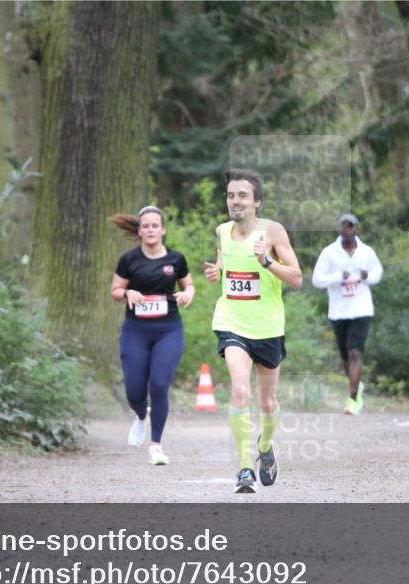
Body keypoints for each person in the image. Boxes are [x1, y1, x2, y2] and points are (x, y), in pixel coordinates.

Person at [204, 169, 302, 493]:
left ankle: (265, 447)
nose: (236, 201)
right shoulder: (222, 231)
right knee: (240, 390)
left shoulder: (272, 232)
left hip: (268, 329)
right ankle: (245, 468)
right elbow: (225, 262)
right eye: (231, 195)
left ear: (257, 202)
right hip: (231, 324)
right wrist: (218, 271)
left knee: (268, 403)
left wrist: (267, 263)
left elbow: (297, 278)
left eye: (243, 195)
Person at [110, 205, 194, 465]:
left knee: (159, 384)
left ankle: (156, 445)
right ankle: (140, 416)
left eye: (154, 225)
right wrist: (127, 294)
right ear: (140, 230)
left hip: (168, 330)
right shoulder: (129, 259)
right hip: (136, 330)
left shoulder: (176, 260)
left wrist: (188, 293)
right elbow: (115, 289)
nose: (150, 230)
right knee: (135, 391)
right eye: (145, 226)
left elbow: (188, 284)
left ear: (163, 230)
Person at [311, 213, 383, 415]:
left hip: (361, 309)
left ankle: (353, 398)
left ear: (357, 228)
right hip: (339, 311)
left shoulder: (366, 252)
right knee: (345, 357)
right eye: (344, 226)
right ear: (339, 229)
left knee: (355, 353)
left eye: (351, 226)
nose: (348, 229)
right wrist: (336, 277)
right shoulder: (329, 253)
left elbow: (378, 273)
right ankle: (356, 385)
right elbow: (316, 280)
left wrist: (367, 275)